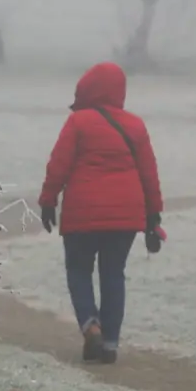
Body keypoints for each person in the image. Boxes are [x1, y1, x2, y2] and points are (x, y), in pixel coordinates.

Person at [38, 61, 164, 364]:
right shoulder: (135, 125)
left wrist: (48, 200)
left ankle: (90, 325)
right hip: (125, 217)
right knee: (113, 274)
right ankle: (109, 344)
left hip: (82, 214)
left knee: (78, 270)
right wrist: (153, 216)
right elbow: (149, 174)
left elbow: (59, 164)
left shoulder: (78, 122)